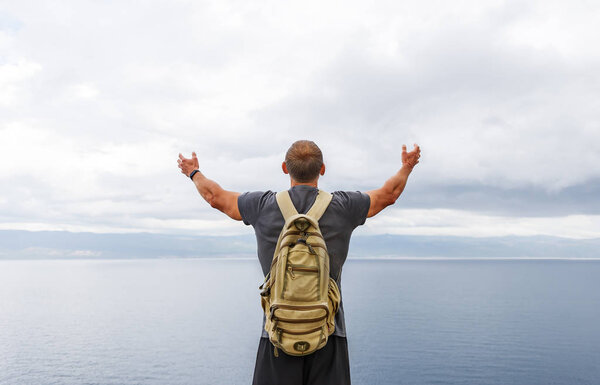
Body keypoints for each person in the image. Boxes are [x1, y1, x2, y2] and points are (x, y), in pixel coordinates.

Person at [178, 140, 421, 385]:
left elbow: (214, 196)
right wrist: (407, 167)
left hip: (276, 334)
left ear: (285, 168)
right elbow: (389, 194)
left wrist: (193, 172)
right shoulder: (344, 206)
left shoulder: (262, 205)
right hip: (329, 334)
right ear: (322, 169)